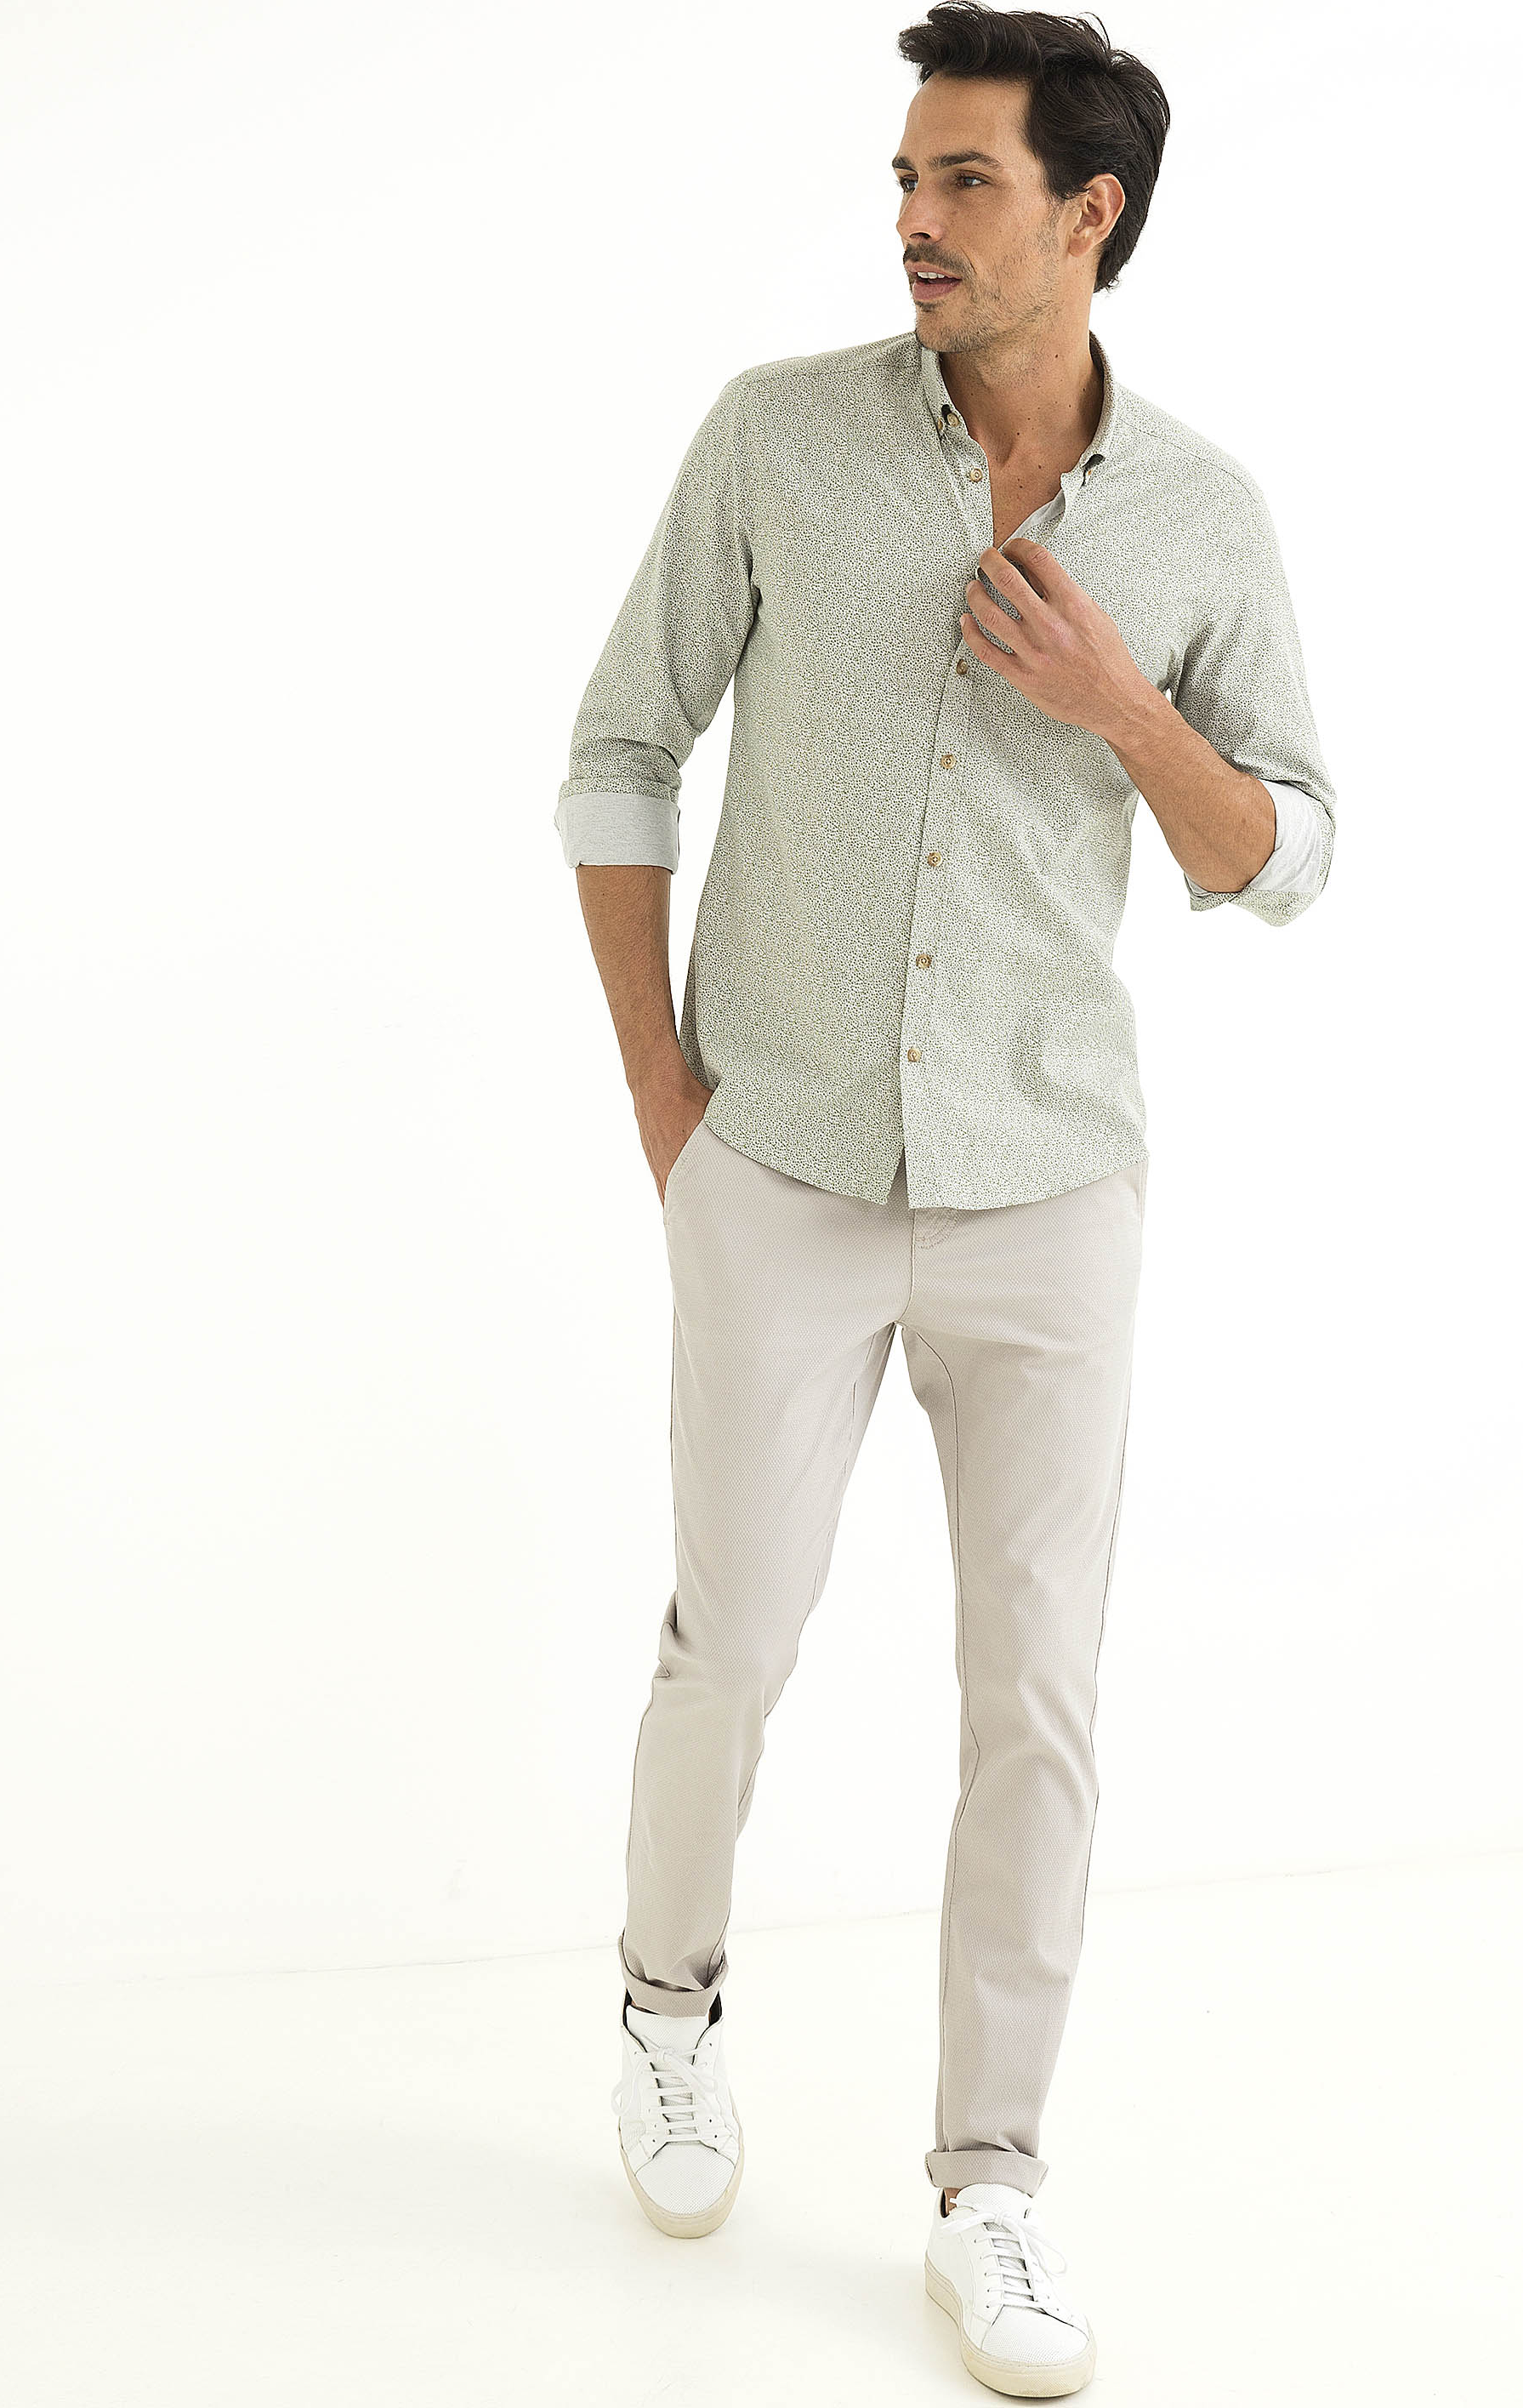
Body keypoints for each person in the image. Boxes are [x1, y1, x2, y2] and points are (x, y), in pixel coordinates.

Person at [569, 5, 1336, 2394]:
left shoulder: (1201, 516)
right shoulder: (775, 439)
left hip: (1048, 1183)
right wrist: (668, 1111)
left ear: (1089, 214)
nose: (911, 217)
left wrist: (1126, 711)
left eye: (962, 180)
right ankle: (666, 2007)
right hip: (777, 1162)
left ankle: (989, 2186)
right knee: (734, 1642)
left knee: (1038, 1707)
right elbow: (619, 747)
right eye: (903, 176)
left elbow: (1289, 860)